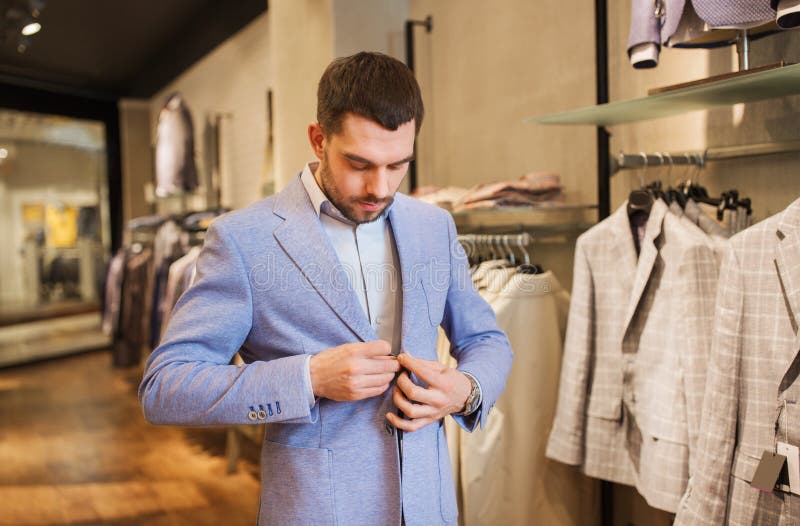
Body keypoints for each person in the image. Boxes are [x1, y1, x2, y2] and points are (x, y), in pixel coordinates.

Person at [139, 51, 513, 526]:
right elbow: (166, 388)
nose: (380, 187)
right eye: (359, 163)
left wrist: (466, 389)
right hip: (315, 509)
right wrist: (309, 378)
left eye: (398, 165)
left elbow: (486, 340)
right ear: (318, 139)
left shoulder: (433, 226)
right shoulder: (243, 239)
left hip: (429, 507)